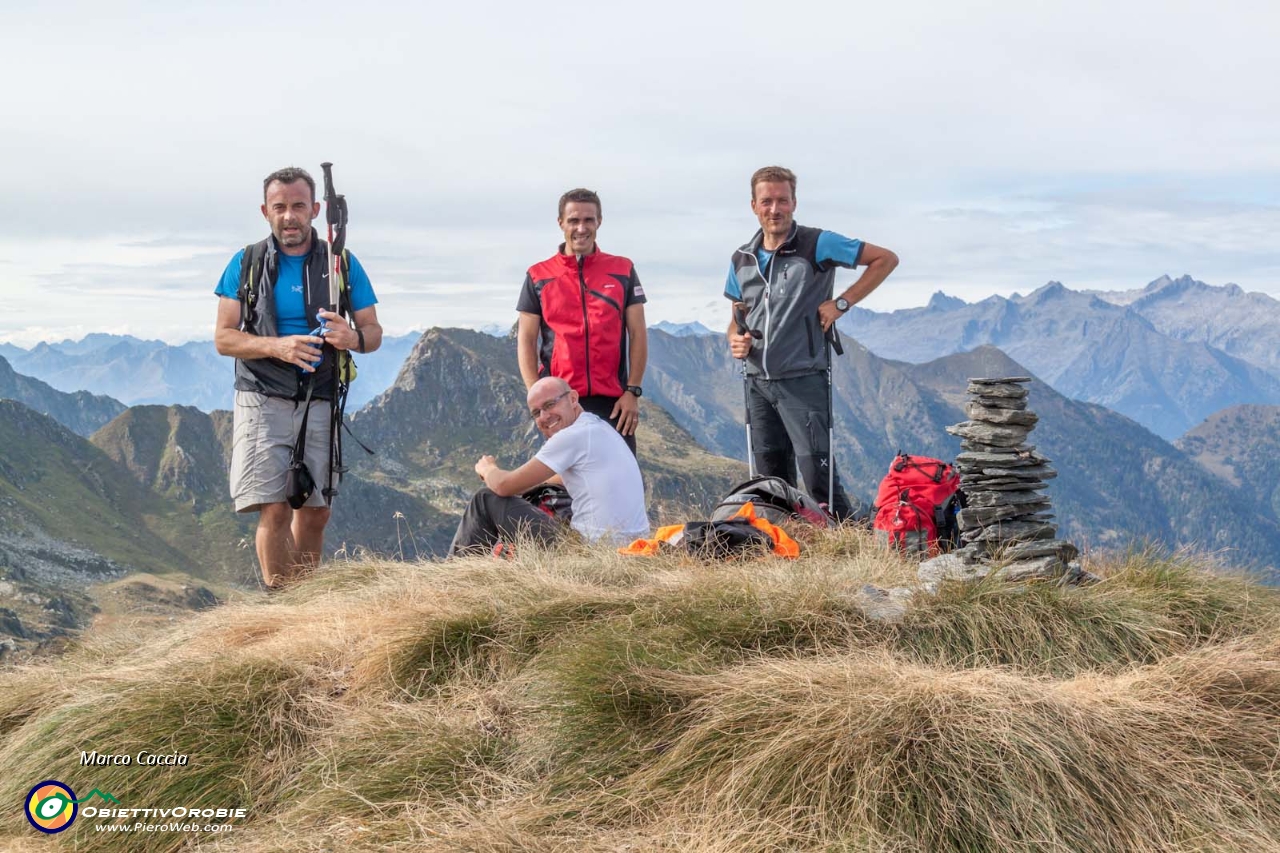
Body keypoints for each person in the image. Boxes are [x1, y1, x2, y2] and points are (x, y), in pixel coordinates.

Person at [214, 166, 382, 589]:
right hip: (262, 394)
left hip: (320, 395)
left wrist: (352, 337)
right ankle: (280, 599)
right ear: (265, 211)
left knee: (315, 510)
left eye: (298, 206)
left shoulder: (340, 263)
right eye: (280, 207)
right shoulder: (246, 262)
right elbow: (224, 338)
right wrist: (278, 346)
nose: (289, 216)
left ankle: (305, 602)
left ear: (315, 209)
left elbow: (373, 332)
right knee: (274, 508)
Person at [724, 165, 898, 520]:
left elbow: (885, 259)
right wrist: (735, 340)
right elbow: (736, 316)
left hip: (804, 378)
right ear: (753, 206)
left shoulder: (817, 244)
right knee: (770, 480)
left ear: (794, 202)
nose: (775, 209)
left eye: (782, 201)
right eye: (767, 201)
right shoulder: (741, 259)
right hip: (757, 383)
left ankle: (847, 545)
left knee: (819, 478)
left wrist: (842, 303)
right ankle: (782, 547)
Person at [449, 377, 649, 555]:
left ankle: (453, 580)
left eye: (550, 404)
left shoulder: (572, 436)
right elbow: (558, 479)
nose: (544, 416)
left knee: (484, 500)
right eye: (536, 412)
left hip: (591, 553)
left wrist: (488, 469)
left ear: (573, 398)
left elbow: (503, 486)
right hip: (628, 548)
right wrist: (522, 484)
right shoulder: (598, 427)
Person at [516, 188, 648, 456]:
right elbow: (526, 340)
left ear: (599, 221)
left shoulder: (622, 269)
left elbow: (638, 333)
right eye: (574, 220)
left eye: (589, 220)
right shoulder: (538, 275)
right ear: (561, 223)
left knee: (619, 483)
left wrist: (632, 391)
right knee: (565, 489)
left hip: (613, 401)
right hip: (560, 401)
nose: (581, 228)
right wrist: (537, 397)